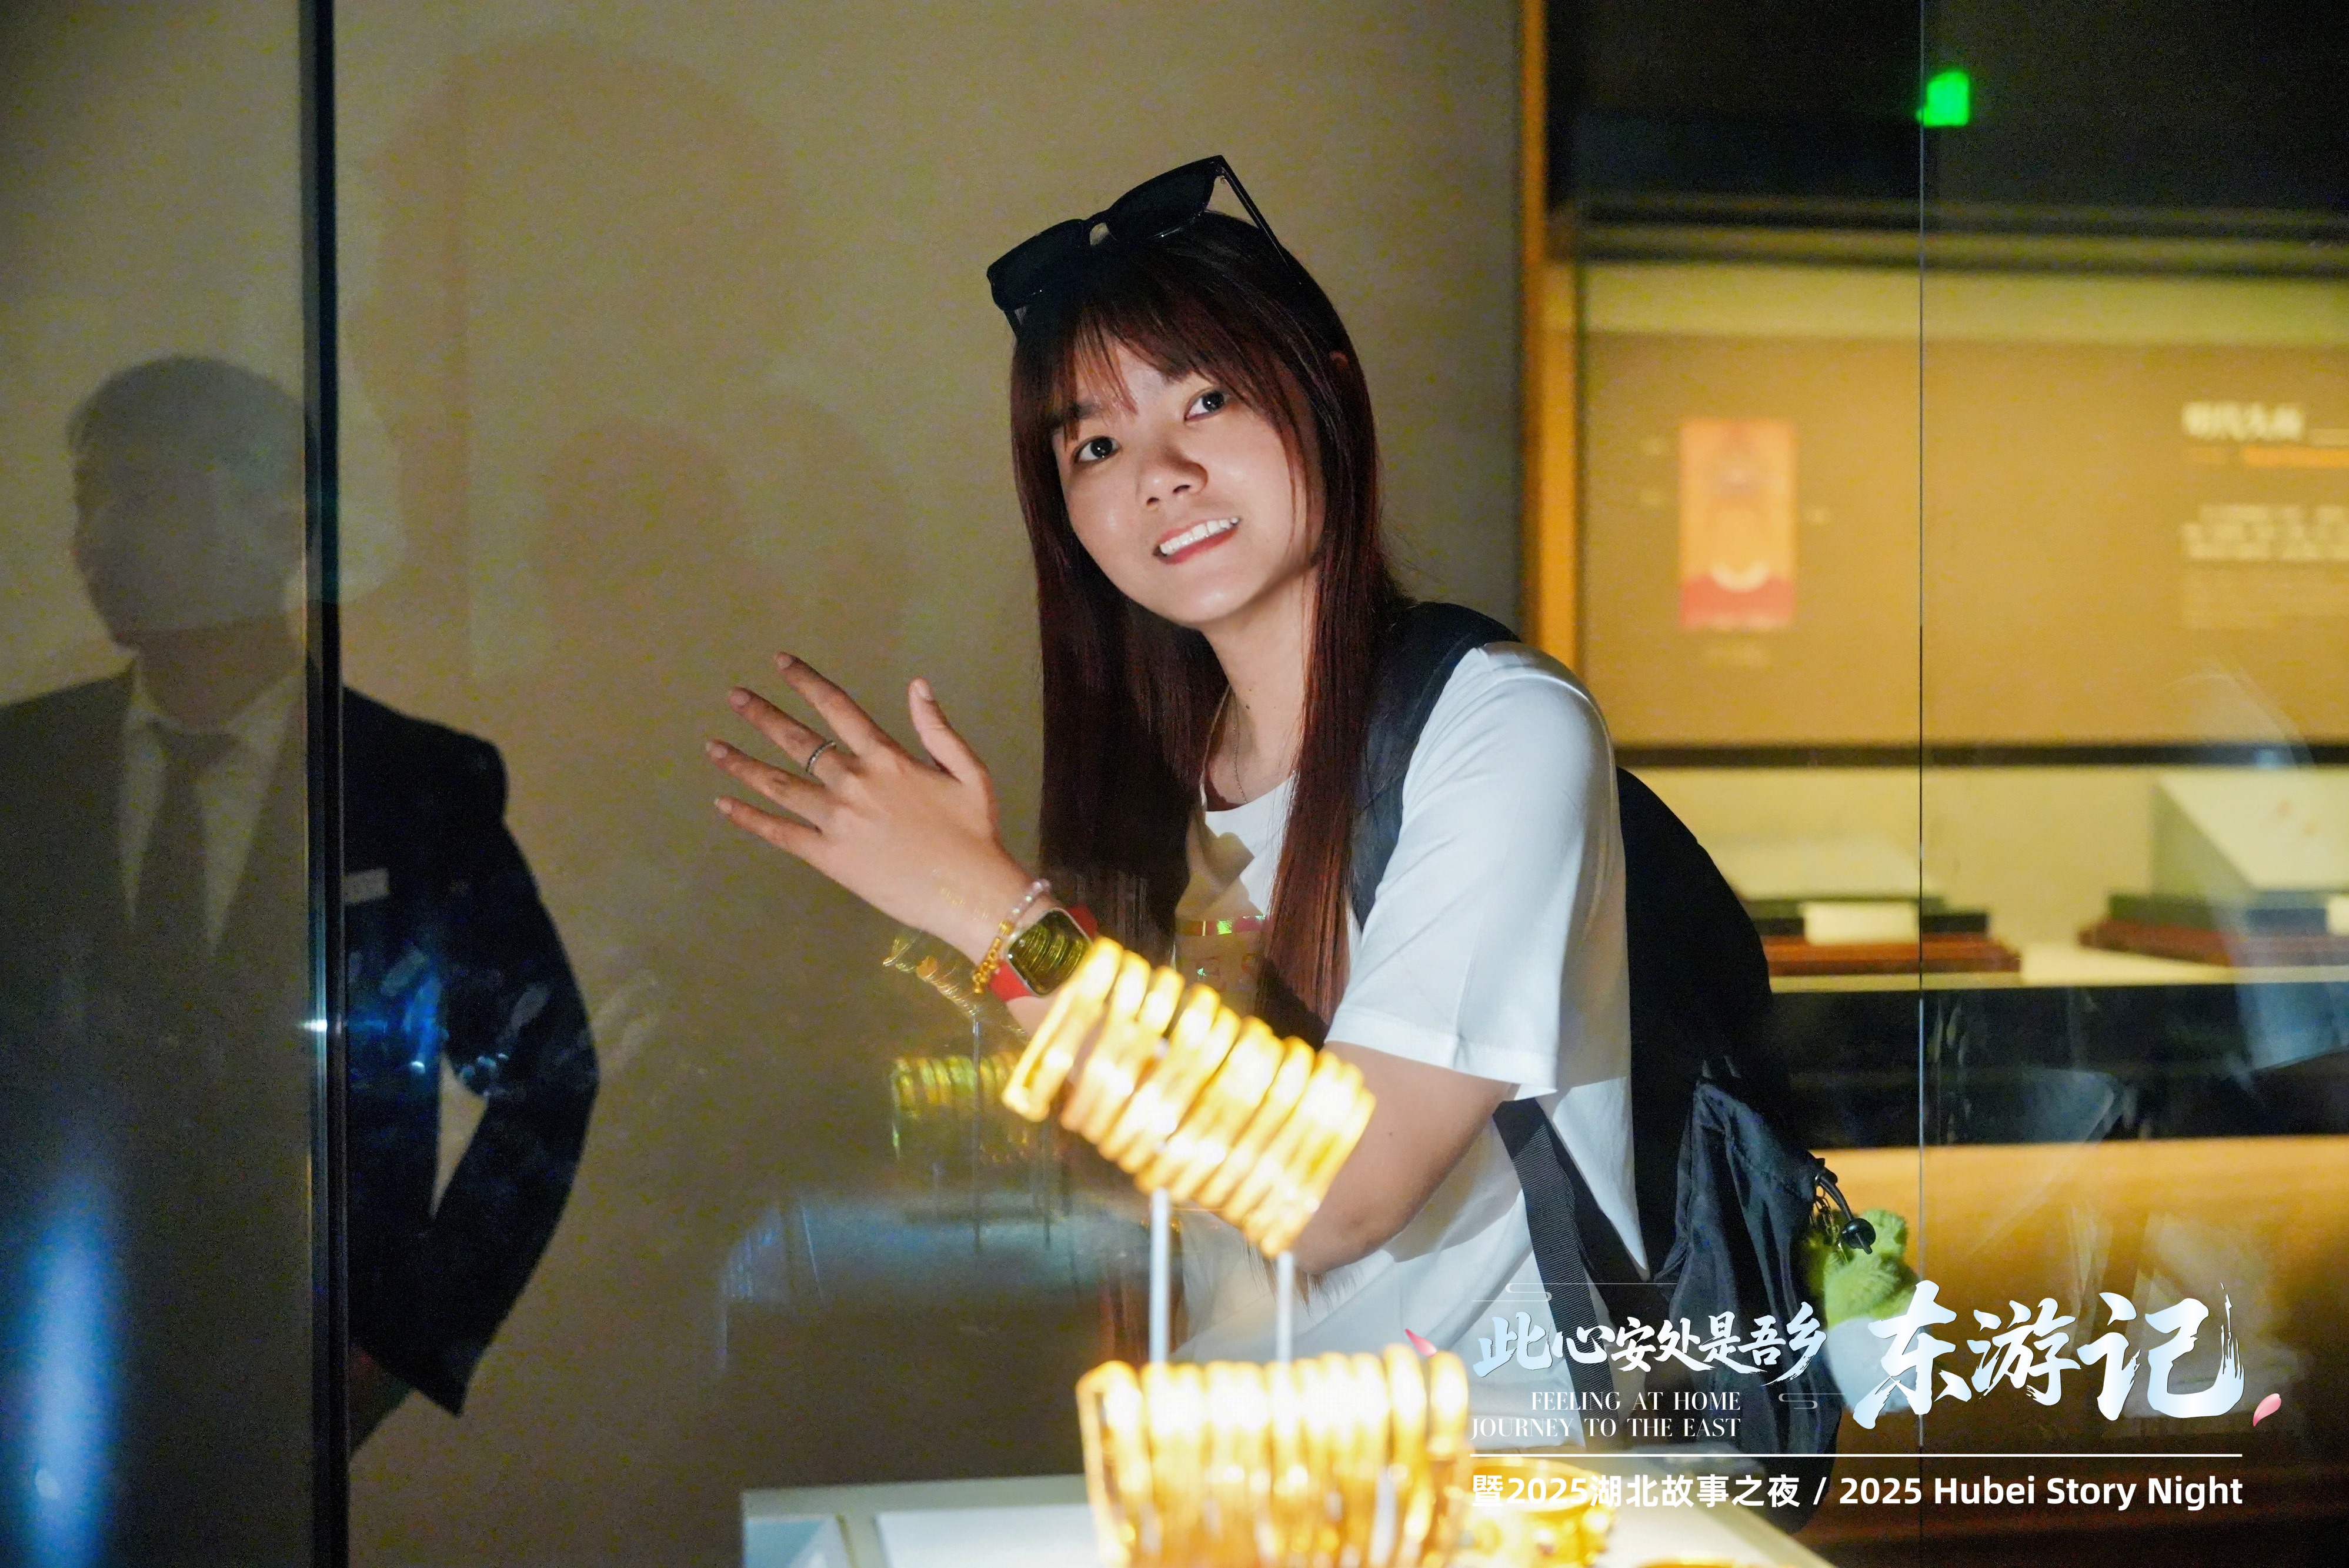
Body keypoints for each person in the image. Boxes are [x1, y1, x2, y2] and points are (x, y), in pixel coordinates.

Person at [708, 159, 1637, 1426]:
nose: (1158, 471)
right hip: (1248, 1467)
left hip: (1495, 1481)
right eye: (1095, 443)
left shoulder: (1500, 727)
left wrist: (989, 914)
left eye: (1206, 399)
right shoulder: (1163, 776)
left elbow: (1337, 1193)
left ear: (1324, 393)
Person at [0, 357, 596, 1563]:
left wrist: (397, 1343)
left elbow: (549, 1070)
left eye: (147, 493)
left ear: (281, 528)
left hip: (290, 1381)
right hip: (42, 1377)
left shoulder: (410, 787)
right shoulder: (26, 771)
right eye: (89, 498)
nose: (98, 538)